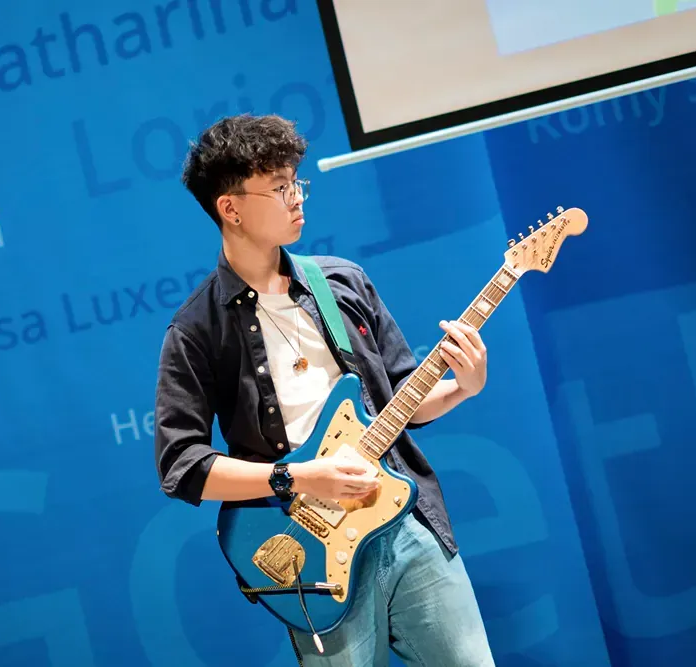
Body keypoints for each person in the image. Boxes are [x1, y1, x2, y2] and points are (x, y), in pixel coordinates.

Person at [153, 113, 496, 667]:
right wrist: (298, 475)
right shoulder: (197, 329)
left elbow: (402, 396)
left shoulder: (342, 282)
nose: (296, 198)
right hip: (312, 551)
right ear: (230, 208)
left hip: (405, 522)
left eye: (297, 182)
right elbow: (183, 465)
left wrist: (463, 387)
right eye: (279, 186)